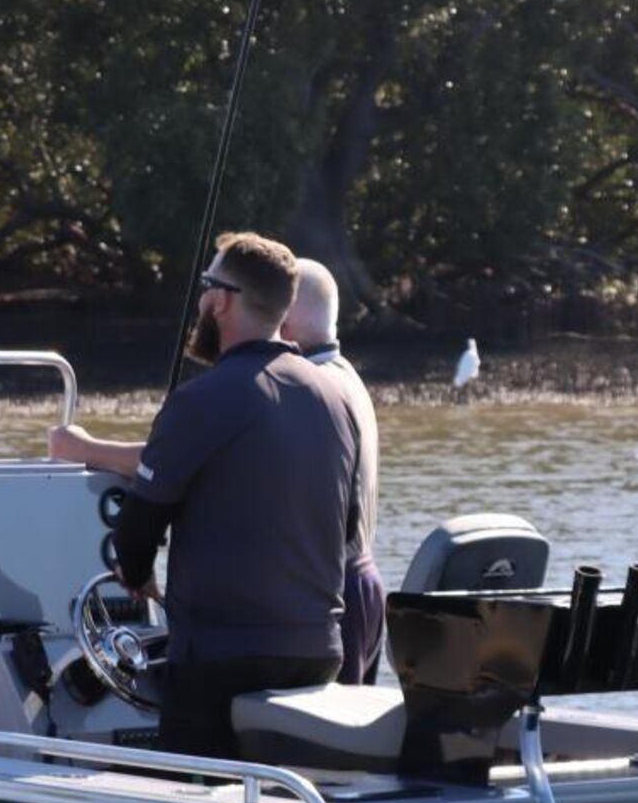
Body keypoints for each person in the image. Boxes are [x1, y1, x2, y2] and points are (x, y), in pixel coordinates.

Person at [47, 233, 358, 757]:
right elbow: (344, 532)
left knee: (184, 792)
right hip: (318, 652)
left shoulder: (201, 400)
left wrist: (137, 574)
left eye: (206, 285)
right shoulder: (335, 397)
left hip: (223, 661)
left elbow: (136, 533)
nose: (201, 299)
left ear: (221, 300)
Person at [283, 260, 385, 684]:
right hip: (366, 585)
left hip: (335, 594)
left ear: (283, 317)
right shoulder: (347, 378)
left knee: (321, 743)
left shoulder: (312, 390)